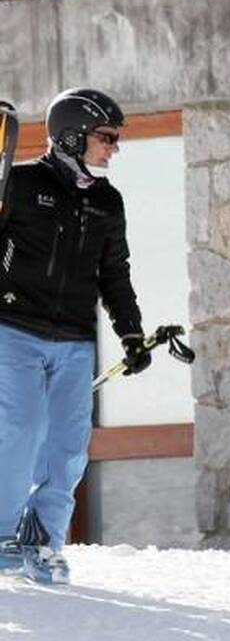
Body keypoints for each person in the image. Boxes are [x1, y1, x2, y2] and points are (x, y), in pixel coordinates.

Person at [0, 88, 150, 584]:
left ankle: (42, 540)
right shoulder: (17, 186)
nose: (114, 147)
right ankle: (1, 535)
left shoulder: (108, 202)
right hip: (14, 330)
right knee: (19, 430)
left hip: (73, 339)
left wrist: (130, 333)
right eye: (106, 137)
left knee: (68, 445)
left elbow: (115, 274)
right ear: (71, 135)